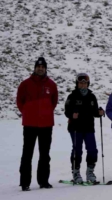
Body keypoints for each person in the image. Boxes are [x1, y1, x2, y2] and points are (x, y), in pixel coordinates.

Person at [17, 57, 58, 191]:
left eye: (42, 67)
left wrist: (46, 113)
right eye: (38, 67)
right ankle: (24, 182)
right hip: (29, 124)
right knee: (27, 153)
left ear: (45, 69)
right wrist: (27, 112)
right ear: (35, 68)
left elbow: (54, 101)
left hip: (46, 125)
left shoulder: (51, 85)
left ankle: (43, 181)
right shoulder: (25, 84)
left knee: (45, 154)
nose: (40, 69)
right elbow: (19, 101)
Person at [64, 73, 105, 184]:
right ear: (77, 84)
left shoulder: (92, 96)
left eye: (85, 83)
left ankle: (90, 172)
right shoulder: (72, 96)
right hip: (75, 127)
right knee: (77, 150)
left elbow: (95, 112)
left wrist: (100, 113)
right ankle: (76, 172)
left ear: (88, 84)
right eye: (81, 83)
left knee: (92, 150)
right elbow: (67, 111)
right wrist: (72, 115)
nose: (83, 85)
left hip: (89, 127)